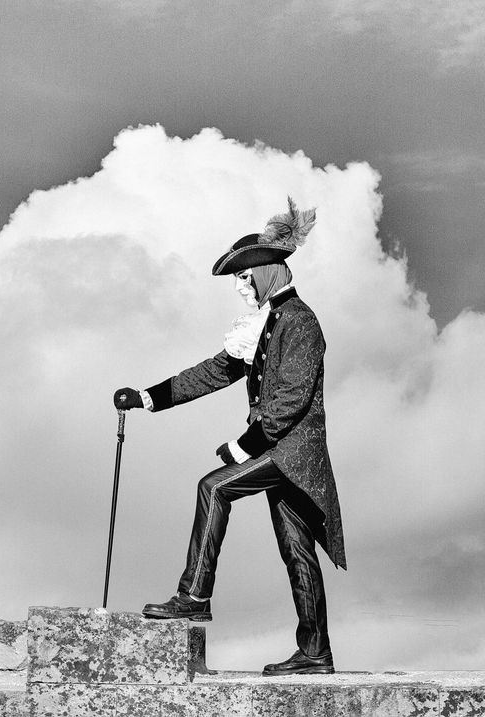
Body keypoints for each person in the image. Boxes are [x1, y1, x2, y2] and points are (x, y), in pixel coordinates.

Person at [113, 197, 346, 677]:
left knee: (214, 485)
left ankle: (194, 595)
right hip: (280, 451)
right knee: (295, 548)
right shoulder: (267, 323)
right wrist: (146, 397)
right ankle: (315, 652)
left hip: (292, 453)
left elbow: (289, 402)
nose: (241, 286)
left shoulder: (299, 321)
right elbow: (213, 372)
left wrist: (243, 446)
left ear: (268, 271)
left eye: (245, 277)